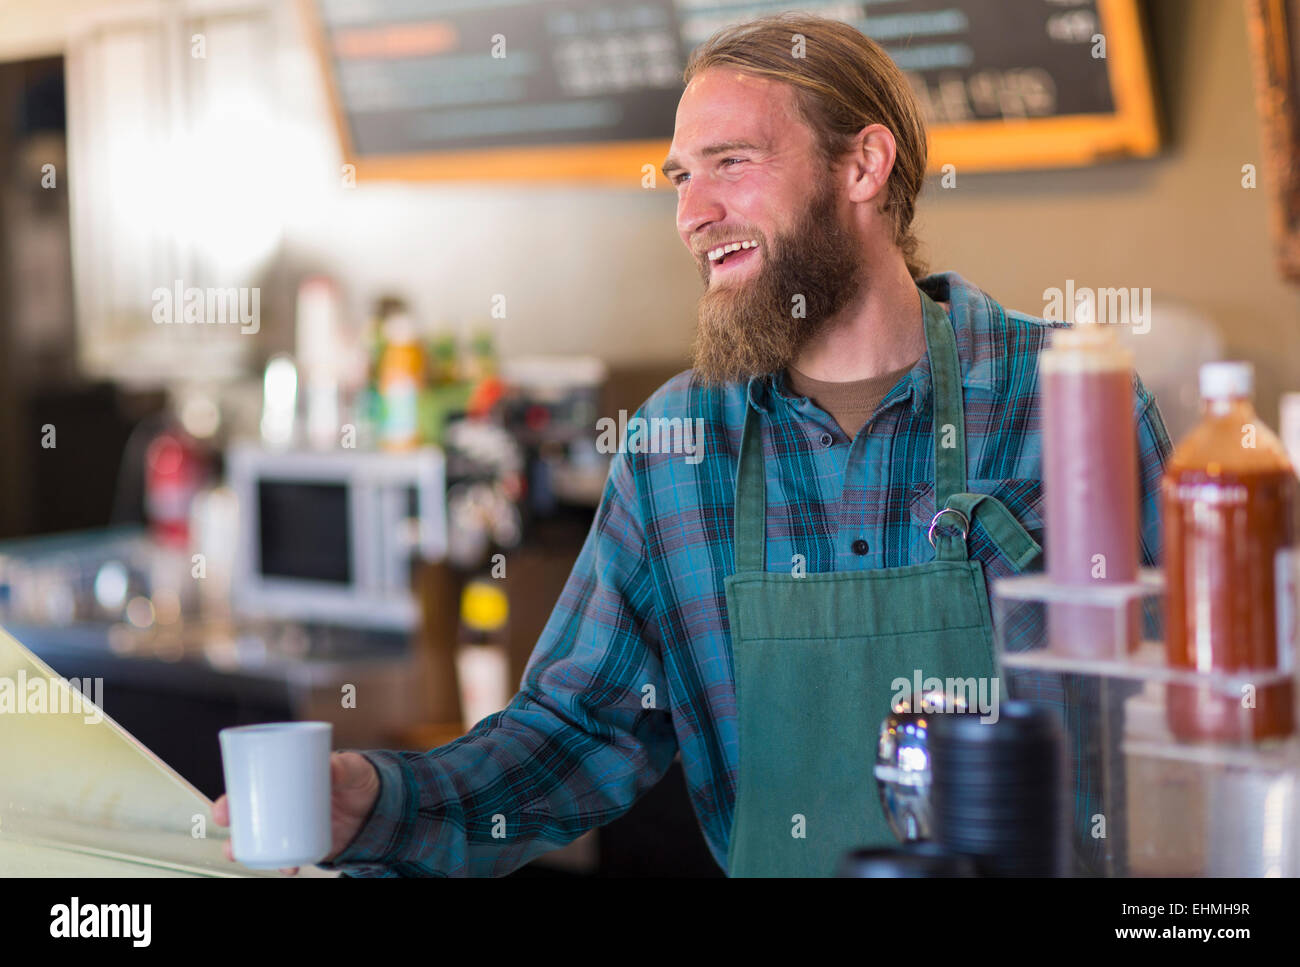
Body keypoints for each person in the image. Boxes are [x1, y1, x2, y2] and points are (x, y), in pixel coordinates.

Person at [214, 13, 1172, 877]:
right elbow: (573, 733)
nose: (691, 214)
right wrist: (382, 802)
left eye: (731, 162)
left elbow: (1196, 705)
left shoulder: (1067, 400)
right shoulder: (677, 448)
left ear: (862, 167)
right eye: (681, 176)